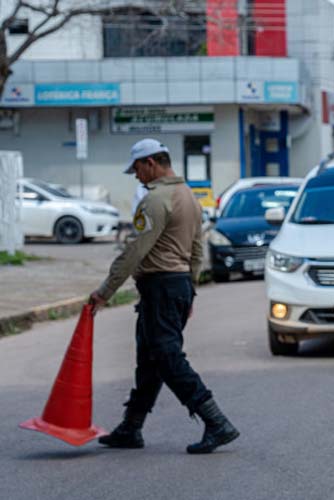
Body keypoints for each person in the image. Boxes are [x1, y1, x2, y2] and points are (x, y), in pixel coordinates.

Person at [90, 138, 239, 454]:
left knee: (167, 357)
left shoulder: (155, 200)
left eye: (137, 169)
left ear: (151, 163)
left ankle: (216, 422)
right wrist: (191, 290)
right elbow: (197, 250)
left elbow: (136, 250)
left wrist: (105, 291)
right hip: (176, 285)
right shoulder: (189, 196)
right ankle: (131, 427)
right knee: (150, 359)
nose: (136, 176)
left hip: (161, 287)